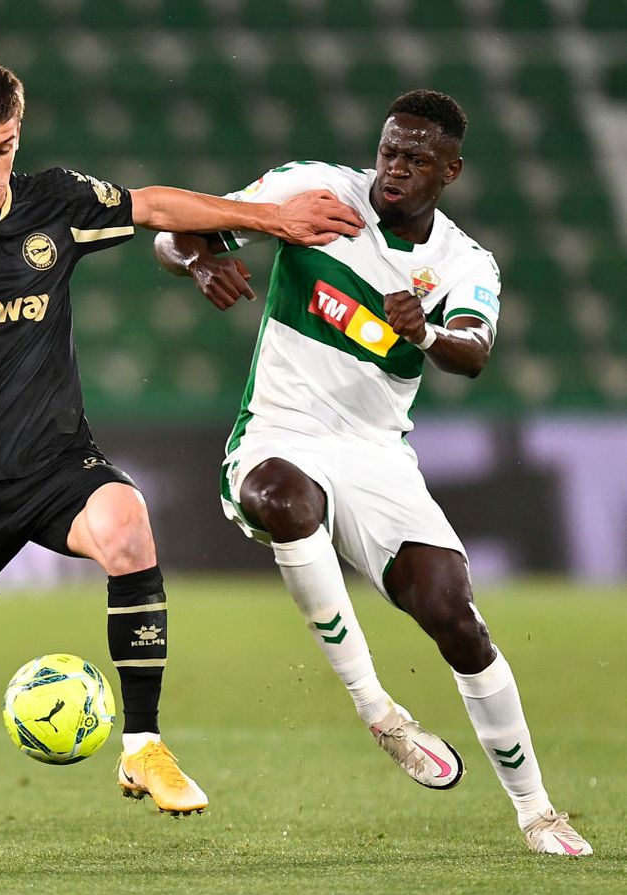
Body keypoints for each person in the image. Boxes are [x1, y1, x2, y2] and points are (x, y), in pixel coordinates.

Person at [0, 59, 364, 852]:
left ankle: (142, 745)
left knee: (128, 523)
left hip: (53, 466)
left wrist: (270, 219)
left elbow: (153, 206)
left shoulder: (53, 201)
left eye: (3, 148)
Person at [154, 89, 592, 856]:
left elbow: (474, 352)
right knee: (283, 500)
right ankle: (378, 710)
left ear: (449, 171)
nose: (395, 169)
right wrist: (199, 260)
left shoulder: (463, 261)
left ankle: (537, 810)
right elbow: (175, 229)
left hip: (377, 454)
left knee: (455, 616)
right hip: (279, 433)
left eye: (417, 159)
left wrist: (424, 332)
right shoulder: (316, 192)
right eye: (390, 150)